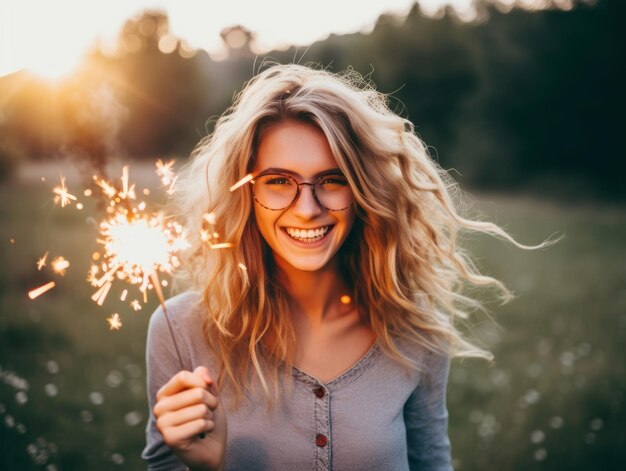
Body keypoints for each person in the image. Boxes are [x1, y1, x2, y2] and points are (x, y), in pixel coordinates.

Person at [141, 63, 534, 470]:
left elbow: (432, 463)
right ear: (245, 192)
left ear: (364, 189)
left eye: (333, 179)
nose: (308, 209)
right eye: (278, 181)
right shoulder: (183, 329)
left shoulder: (414, 332)